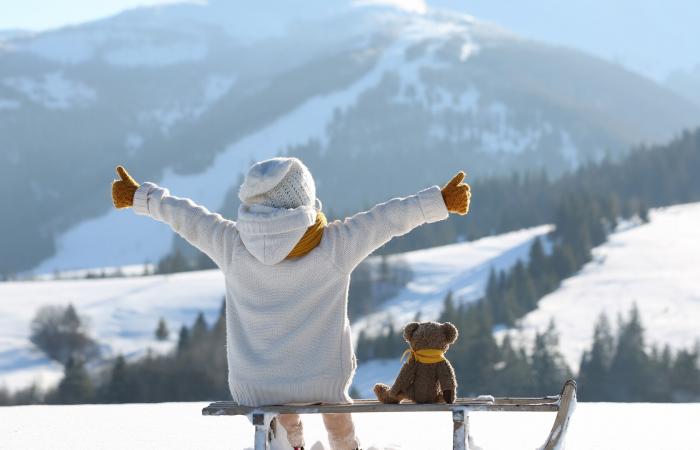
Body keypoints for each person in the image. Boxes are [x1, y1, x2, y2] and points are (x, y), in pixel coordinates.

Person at [111, 157, 470, 450]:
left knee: (279, 395)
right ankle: (345, 446)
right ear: (304, 200)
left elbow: (186, 217)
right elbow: (387, 219)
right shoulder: (334, 245)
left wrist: (140, 196)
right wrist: (439, 201)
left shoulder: (230, 244)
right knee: (333, 407)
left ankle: (289, 442)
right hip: (322, 382)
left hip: (256, 384)